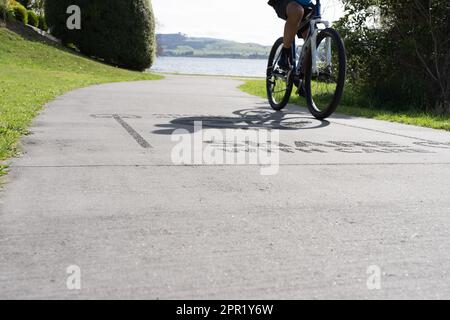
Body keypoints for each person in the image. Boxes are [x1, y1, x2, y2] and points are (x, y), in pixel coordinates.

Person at [268, 0, 314, 71]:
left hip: (306, 5)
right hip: (284, 2)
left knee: (312, 40)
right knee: (297, 11)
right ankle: (285, 55)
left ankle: (302, 75)